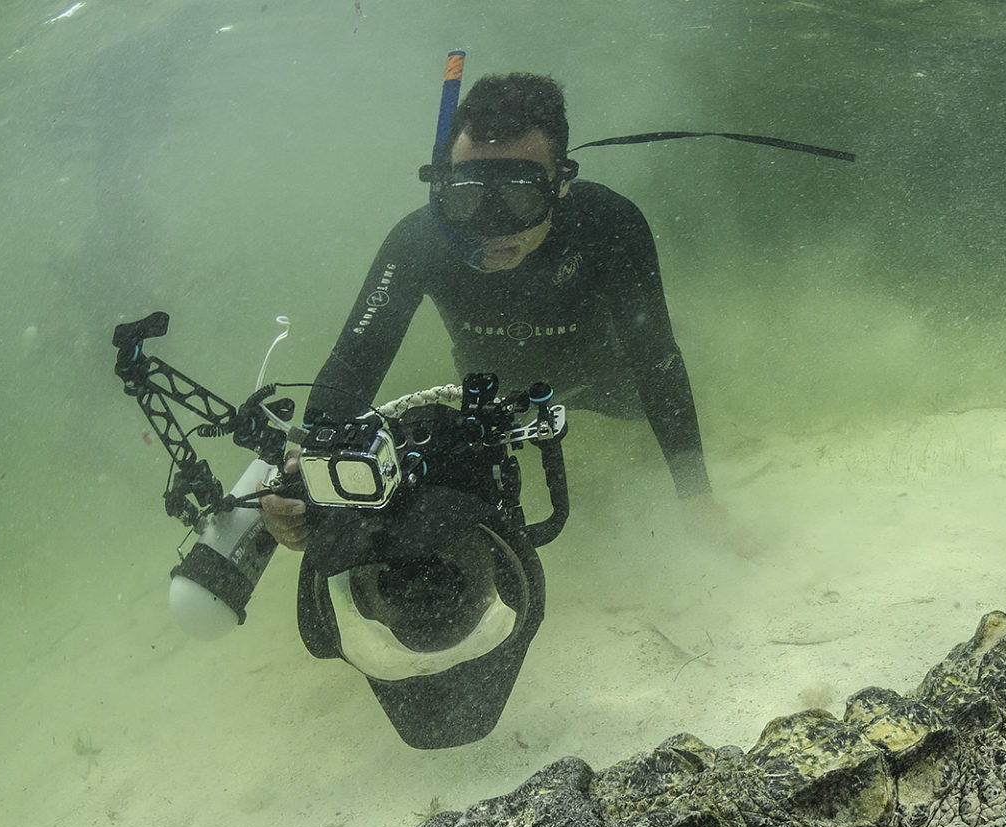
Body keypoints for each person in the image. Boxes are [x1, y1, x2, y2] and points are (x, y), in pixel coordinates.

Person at [262, 72, 749, 554]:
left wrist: (696, 495)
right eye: (468, 195)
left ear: (560, 183)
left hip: (609, 379)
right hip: (499, 403)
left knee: (670, 369)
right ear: (443, 184)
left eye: (518, 195)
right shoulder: (419, 241)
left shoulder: (610, 223)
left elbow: (654, 357)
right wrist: (300, 464)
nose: (491, 226)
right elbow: (357, 358)